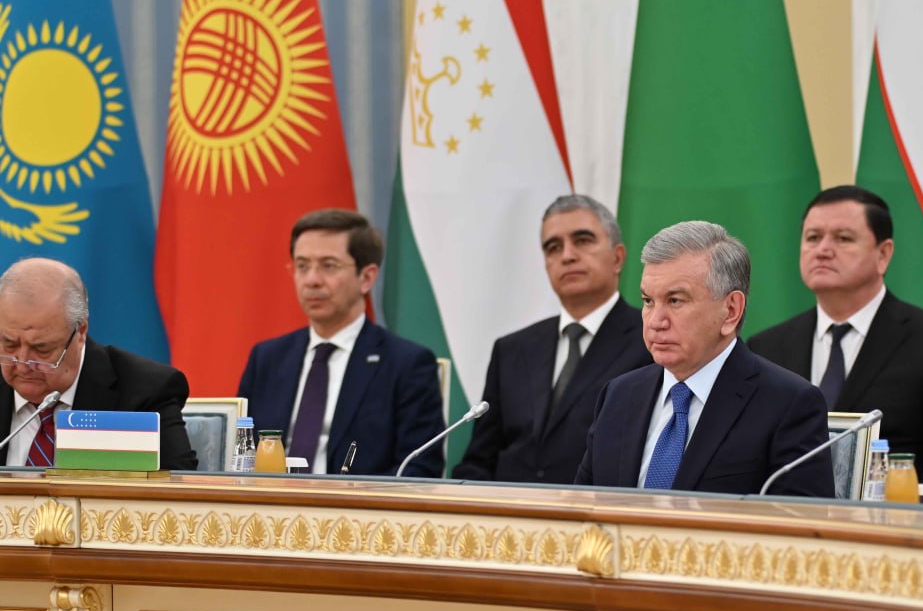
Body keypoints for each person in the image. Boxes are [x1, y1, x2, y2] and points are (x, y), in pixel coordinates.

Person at [748, 185, 923, 497]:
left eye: (843, 238)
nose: (823, 250)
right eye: (813, 237)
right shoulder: (765, 348)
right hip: (786, 520)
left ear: (883, 254)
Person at [576, 220, 833, 497]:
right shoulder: (618, 396)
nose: (655, 321)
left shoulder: (788, 404)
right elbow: (581, 508)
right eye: (648, 301)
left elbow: (799, 521)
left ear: (731, 310)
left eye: (675, 301)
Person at [453, 195, 650, 484]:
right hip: (509, 509)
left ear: (617, 258)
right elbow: (480, 460)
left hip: (596, 509)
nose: (567, 256)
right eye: (553, 247)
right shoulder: (511, 349)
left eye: (582, 240)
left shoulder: (651, 340)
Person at [238, 209, 444, 476]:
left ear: (366, 277)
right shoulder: (267, 359)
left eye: (329, 266)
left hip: (358, 502)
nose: (312, 280)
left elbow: (419, 468)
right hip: (269, 501)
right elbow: (239, 450)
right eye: (302, 266)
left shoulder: (407, 365)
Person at [0, 258, 197, 470]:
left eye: (42, 349)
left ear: (81, 332)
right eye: (9, 344)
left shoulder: (145, 393)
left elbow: (178, 484)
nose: (22, 365)